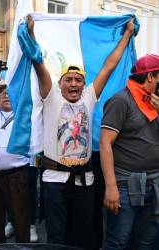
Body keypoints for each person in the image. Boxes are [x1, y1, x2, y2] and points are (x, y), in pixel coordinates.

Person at [27, 16, 135, 250]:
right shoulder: (51, 96)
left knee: (84, 236)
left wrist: (127, 34)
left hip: (85, 181)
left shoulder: (89, 97)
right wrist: (31, 34)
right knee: (56, 237)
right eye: (69, 80)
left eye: (78, 80)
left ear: (84, 84)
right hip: (55, 180)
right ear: (60, 83)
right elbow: (38, 63)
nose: (74, 84)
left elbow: (109, 66)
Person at [100, 54, 159, 250]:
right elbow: (105, 143)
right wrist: (111, 187)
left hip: (154, 184)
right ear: (150, 77)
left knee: (146, 243)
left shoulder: (156, 102)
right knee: (118, 241)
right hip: (125, 185)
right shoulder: (121, 100)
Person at [0, 82, 30, 243]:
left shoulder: (24, 116)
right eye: (2, 94)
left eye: (10, 93)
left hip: (17, 176)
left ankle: (23, 247)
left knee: (20, 218)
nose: (6, 95)